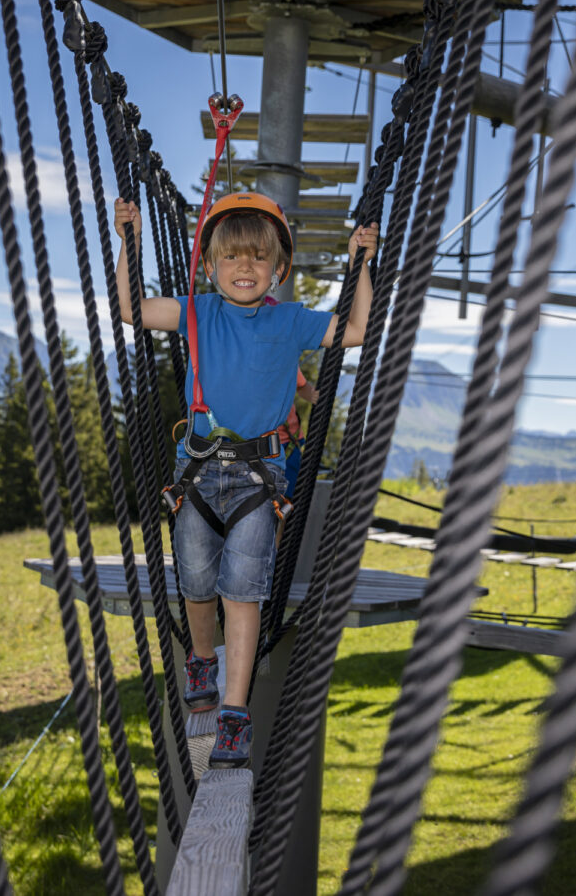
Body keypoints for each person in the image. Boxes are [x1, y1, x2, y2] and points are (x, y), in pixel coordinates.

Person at [113, 191, 378, 768]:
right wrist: (127, 242)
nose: (244, 268)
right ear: (209, 266)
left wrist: (362, 265)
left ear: (279, 269)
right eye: (231, 258)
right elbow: (131, 309)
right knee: (197, 578)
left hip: (261, 478)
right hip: (199, 473)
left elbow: (357, 330)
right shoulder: (198, 312)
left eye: (259, 258)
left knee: (244, 585)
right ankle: (201, 658)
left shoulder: (291, 320)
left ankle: (235, 708)